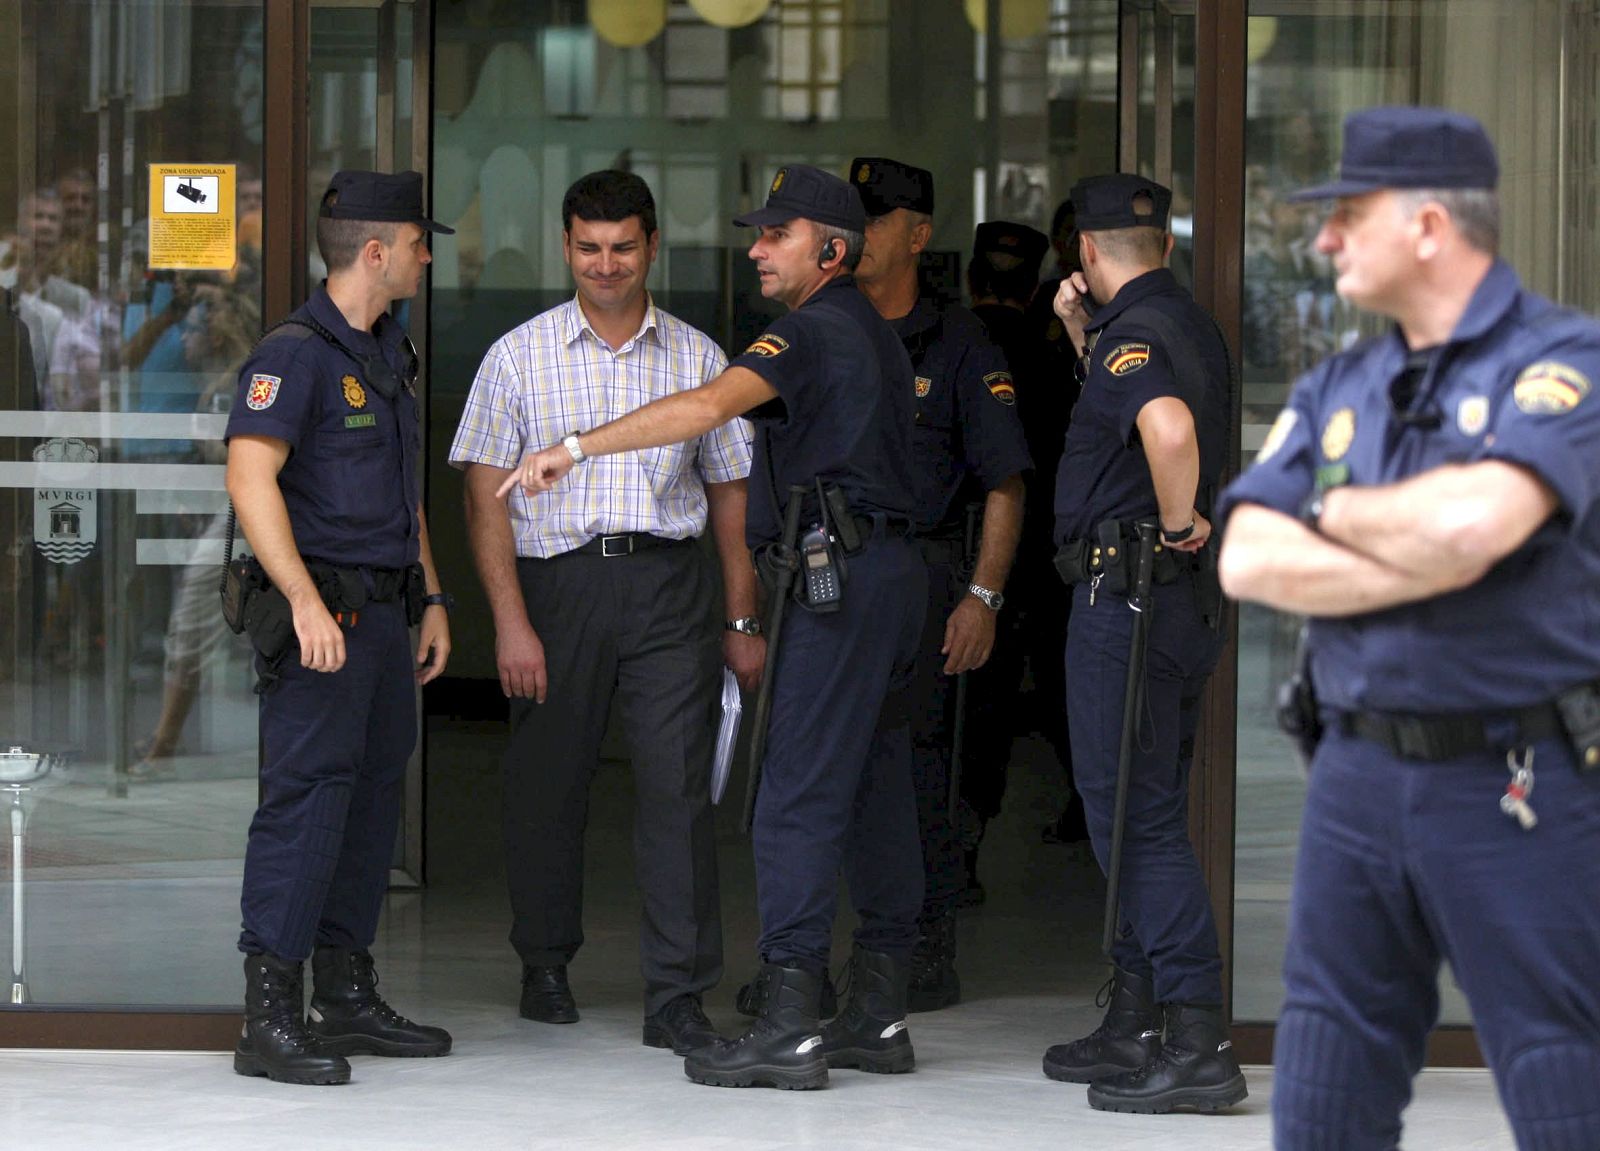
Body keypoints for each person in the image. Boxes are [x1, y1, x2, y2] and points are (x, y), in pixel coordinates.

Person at [1216, 106, 1600, 1150]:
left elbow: (1481, 522)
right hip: (1354, 776)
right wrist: (1425, 547)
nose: (1323, 238)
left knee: (1568, 1085)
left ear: (1429, 223)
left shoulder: (1564, 361)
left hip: (1516, 776)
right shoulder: (1340, 383)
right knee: (1324, 1091)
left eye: (1346, 213)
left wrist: (1328, 510)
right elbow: (1246, 555)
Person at [506, 163, 926, 1091]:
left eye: (774, 236)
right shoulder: (869, 328)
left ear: (828, 249)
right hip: (889, 574)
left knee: (794, 797)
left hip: (842, 580)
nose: (755, 250)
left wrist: (572, 447)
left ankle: (787, 1020)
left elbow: (704, 410)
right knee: (873, 790)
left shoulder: (810, 329)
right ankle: (878, 1010)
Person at [448, 169, 759, 1057]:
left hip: (669, 585)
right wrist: (509, 622)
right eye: (588, 247)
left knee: (677, 787)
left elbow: (731, 503)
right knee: (547, 784)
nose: (606, 264)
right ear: (566, 246)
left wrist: (741, 620)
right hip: (558, 589)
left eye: (623, 246)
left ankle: (679, 992)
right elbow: (483, 501)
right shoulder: (517, 354)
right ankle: (545, 960)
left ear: (652, 245)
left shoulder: (700, 359)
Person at [224, 169, 455, 1086]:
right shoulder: (298, 352)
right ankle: (270, 1013)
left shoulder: (385, 348)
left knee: (370, 803)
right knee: (306, 802)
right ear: (376, 252)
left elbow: (403, 496)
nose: (427, 255)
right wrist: (305, 602)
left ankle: (346, 990)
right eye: (417, 241)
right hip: (324, 621)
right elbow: (252, 479)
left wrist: (432, 597)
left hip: (386, 617)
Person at [1040, 173, 1246, 1113]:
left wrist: (1178, 521)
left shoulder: (1137, 336)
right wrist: (1088, 337)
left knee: (1136, 814)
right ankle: (1137, 1015)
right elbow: (1143, 411)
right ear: (1160, 242)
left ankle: (1197, 1036)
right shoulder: (1182, 323)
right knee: (1138, 803)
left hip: (1130, 595)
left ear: (1086, 251)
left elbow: (1162, 427)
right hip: (1173, 606)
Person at [848, 156, 1030, 1010]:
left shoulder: (961, 344)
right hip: (833, 582)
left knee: (923, 770)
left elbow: (1004, 481)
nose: (859, 234)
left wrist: (983, 596)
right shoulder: (826, 325)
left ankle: (925, 949)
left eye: (876, 219)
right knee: (832, 767)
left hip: (927, 580)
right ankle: (827, 953)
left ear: (917, 234)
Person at [963, 220, 1080, 890]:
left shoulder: (953, 346)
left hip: (975, 561)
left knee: (976, 705)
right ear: (1031, 288)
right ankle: (1092, 807)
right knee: (1065, 690)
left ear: (975, 279)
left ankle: (965, 844)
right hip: (1049, 553)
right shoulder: (1056, 357)